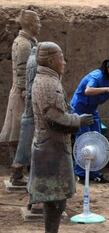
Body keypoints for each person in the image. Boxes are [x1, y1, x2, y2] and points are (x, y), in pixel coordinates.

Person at [30, 41, 94, 233]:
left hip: (51, 147)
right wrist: (78, 120)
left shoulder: (48, 79)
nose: (64, 62)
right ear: (51, 60)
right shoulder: (49, 82)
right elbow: (54, 117)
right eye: (61, 58)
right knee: (56, 199)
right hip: (52, 150)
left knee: (55, 199)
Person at [70, 57, 109, 183]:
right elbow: (88, 90)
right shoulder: (96, 76)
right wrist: (107, 89)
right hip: (79, 110)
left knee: (97, 140)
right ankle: (81, 173)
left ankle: (95, 172)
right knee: (84, 141)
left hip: (92, 110)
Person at [2, 10, 40, 185]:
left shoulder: (29, 41)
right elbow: (22, 70)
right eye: (38, 22)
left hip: (23, 92)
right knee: (18, 134)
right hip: (21, 94)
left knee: (21, 133)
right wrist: (26, 92)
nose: (39, 25)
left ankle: (19, 172)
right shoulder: (24, 44)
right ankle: (16, 173)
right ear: (31, 24)